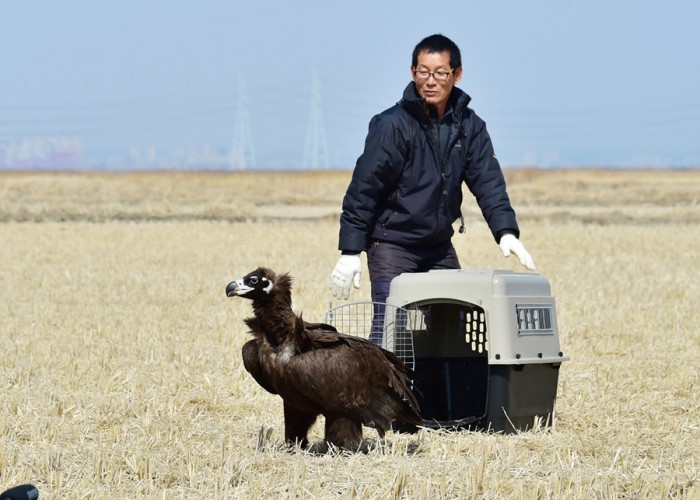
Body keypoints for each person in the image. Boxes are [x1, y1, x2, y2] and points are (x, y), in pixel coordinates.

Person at [329, 34, 535, 343]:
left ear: (457, 74)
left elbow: (488, 181)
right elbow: (364, 189)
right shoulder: (392, 125)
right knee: (390, 329)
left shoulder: (469, 125)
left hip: (438, 245)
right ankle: (378, 391)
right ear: (413, 72)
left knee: (455, 329)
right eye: (423, 71)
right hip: (392, 244)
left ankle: (442, 391)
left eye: (440, 73)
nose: (431, 81)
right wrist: (350, 251)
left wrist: (506, 231)